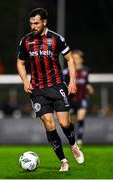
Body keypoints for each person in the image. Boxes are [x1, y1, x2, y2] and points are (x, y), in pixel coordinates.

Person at [17, 8, 84, 172]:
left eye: (36, 23)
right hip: (37, 90)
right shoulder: (25, 41)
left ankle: (73, 145)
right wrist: (25, 81)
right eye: (31, 23)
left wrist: (72, 81)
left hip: (56, 86)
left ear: (44, 22)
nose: (33, 26)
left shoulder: (56, 39)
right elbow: (20, 63)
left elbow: (69, 59)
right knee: (49, 124)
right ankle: (63, 161)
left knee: (64, 123)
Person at [63, 49, 94, 146]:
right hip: (70, 99)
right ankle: (72, 140)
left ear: (81, 60)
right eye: (74, 58)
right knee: (71, 122)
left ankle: (80, 139)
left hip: (82, 98)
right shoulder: (66, 72)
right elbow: (63, 84)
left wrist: (89, 88)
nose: (76, 60)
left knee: (81, 118)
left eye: (77, 58)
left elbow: (86, 83)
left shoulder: (85, 71)